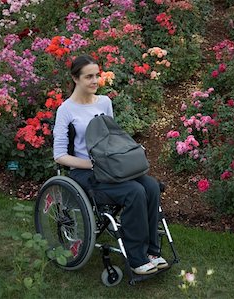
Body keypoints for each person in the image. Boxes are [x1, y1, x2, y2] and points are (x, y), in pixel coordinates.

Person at [53, 54, 168, 275]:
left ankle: (153, 251)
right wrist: (92, 164)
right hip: (85, 172)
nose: (95, 81)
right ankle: (137, 258)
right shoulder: (66, 110)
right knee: (134, 191)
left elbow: (112, 140)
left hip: (111, 167)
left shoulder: (105, 102)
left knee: (151, 186)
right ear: (75, 79)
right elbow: (59, 156)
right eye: (89, 77)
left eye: (97, 75)